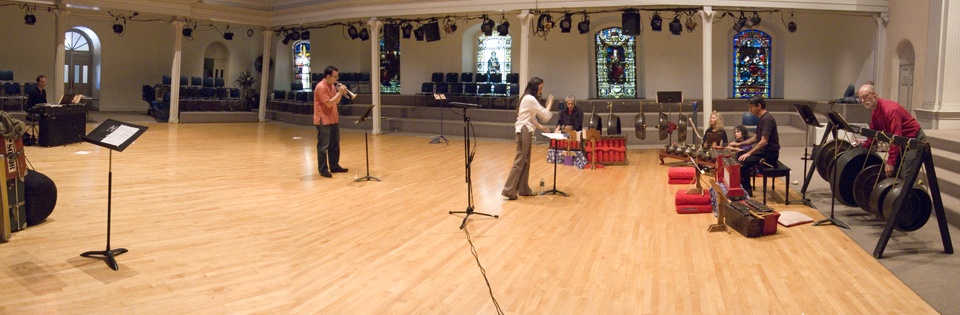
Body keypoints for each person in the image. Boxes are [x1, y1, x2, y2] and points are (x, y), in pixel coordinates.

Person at [856, 83, 924, 177]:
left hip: (913, 139)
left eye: (865, 96)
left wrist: (890, 162)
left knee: (907, 174)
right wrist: (863, 148)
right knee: (895, 174)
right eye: (860, 98)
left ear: (874, 94)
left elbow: (896, 136)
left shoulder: (890, 110)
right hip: (901, 140)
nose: (863, 100)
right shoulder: (875, 111)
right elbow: (873, 134)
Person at [502, 77, 554, 200]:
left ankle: (523, 189)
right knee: (520, 160)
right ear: (535, 88)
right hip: (524, 131)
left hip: (525, 130)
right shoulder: (530, 98)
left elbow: (531, 117)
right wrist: (550, 104)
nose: (541, 91)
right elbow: (545, 115)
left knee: (525, 161)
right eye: (540, 88)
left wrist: (541, 127)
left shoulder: (527, 98)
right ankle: (509, 190)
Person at [729, 96, 780, 197]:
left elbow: (764, 142)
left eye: (751, 107)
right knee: (739, 154)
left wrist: (749, 153)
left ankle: (747, 190)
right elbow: (755, 138)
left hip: (770, 154)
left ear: (759, 106)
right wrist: (739, 144)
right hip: (764, 151)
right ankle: (742, 186)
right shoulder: (761, 118)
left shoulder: (767, 119)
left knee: (743, 160)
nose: (749, 110)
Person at [313, 66, 349, 178]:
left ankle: (334, 165)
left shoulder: (331, 85)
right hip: (323, 120)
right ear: (328, 76)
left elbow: (336, 102)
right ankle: (323, 169)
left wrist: (340, 93)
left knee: (334, 144)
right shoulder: (321, 87)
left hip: (333, 118)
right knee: (323, 146)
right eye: (335, 77)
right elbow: (328, 103)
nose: (336, 79)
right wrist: (339, 93)